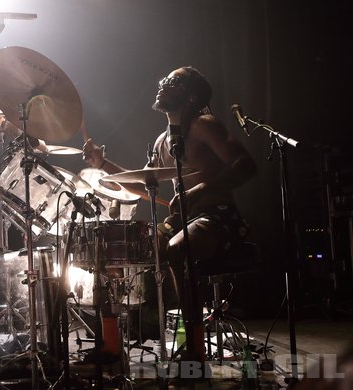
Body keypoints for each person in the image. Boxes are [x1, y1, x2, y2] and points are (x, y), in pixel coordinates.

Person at [82, 66, 257, 358]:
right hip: (185, 222)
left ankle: (195, 348)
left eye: (172, 81)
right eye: (163, 79)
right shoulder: (163, 141)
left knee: (176, 249)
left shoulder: (204, 124)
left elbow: (246, 166)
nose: (162, 84)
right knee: (115, 251)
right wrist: (102, 163)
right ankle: (111, 346)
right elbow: (140, 182)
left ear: (189, 97)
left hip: (219, 218)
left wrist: (198, 191)